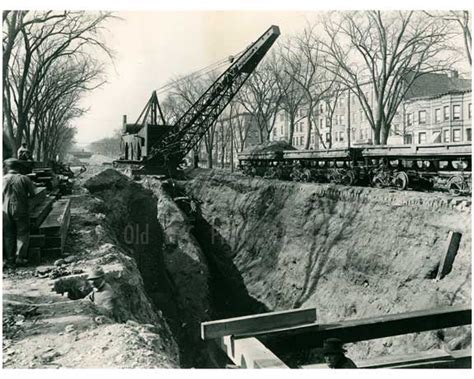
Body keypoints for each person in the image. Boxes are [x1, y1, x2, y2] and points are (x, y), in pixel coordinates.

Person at [3, 158, 36, 267]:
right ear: (18, 167)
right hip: (20, 208)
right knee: (22, 232)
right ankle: (20, 257)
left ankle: (9, 259)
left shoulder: (2, 179)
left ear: (7, 168)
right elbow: (33, 194)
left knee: (8, 234)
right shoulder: (24, 179)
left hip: (4, 210)